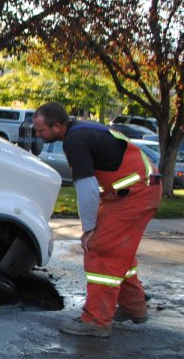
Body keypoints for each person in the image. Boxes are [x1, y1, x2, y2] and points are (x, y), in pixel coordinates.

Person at [32, 102, 162, 337]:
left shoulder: (75, 141)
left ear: (58, 126)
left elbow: (87, 187)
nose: (37, 134)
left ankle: (96, 320)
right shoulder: (80, 132)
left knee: (101, 251)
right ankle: (134, 308)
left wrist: (89, 229)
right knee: (118, 253)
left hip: (135, 194)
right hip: (135, 190)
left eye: (41, 130)